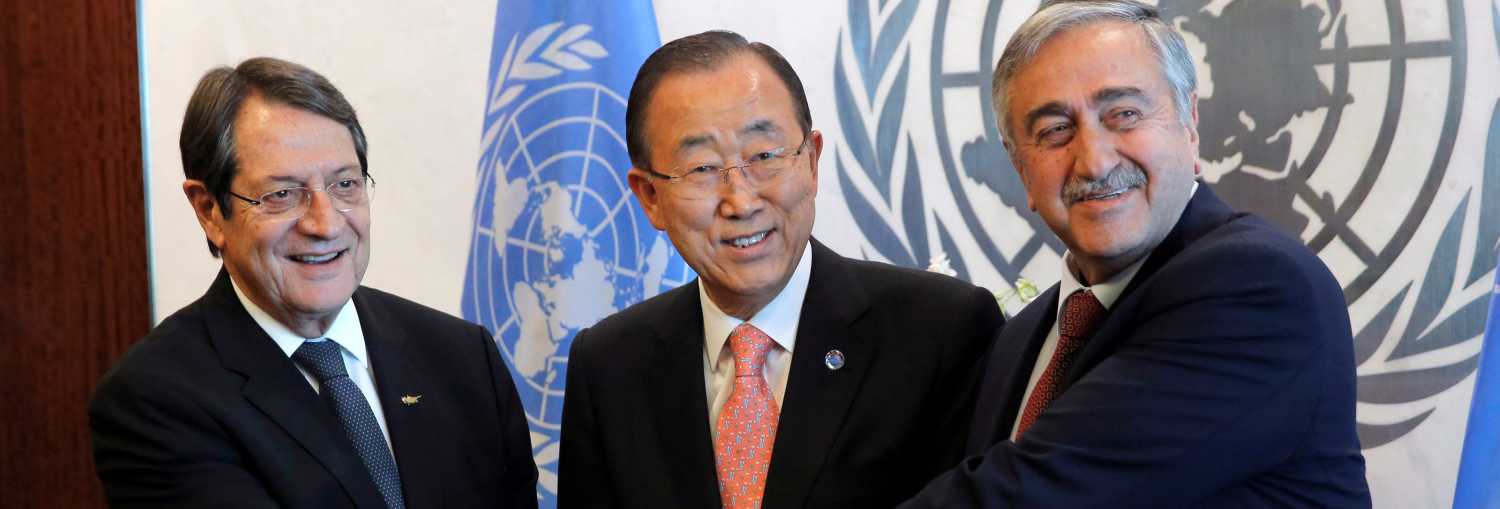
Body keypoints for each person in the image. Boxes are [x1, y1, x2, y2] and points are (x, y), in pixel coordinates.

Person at [901, 1, 1370, 507]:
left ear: (1190, 127)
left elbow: (1034, 495)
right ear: (1021, 171)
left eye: (1123, 114)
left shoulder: (1259, 288)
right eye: (1054, 130)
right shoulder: (1022, 338)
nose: (1095, 161)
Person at [557, 31, 1005, 509]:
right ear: (650, 197)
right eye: (702, 168)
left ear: (811, 161)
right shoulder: (608, 365)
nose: (741, 201)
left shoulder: (941, 331)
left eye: (764, 156)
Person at [88, 57, 538, 509]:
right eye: (282, 194)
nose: (325, 224)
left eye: (345, 184)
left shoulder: (462, 358)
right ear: (209, 210)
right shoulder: (156, 400)